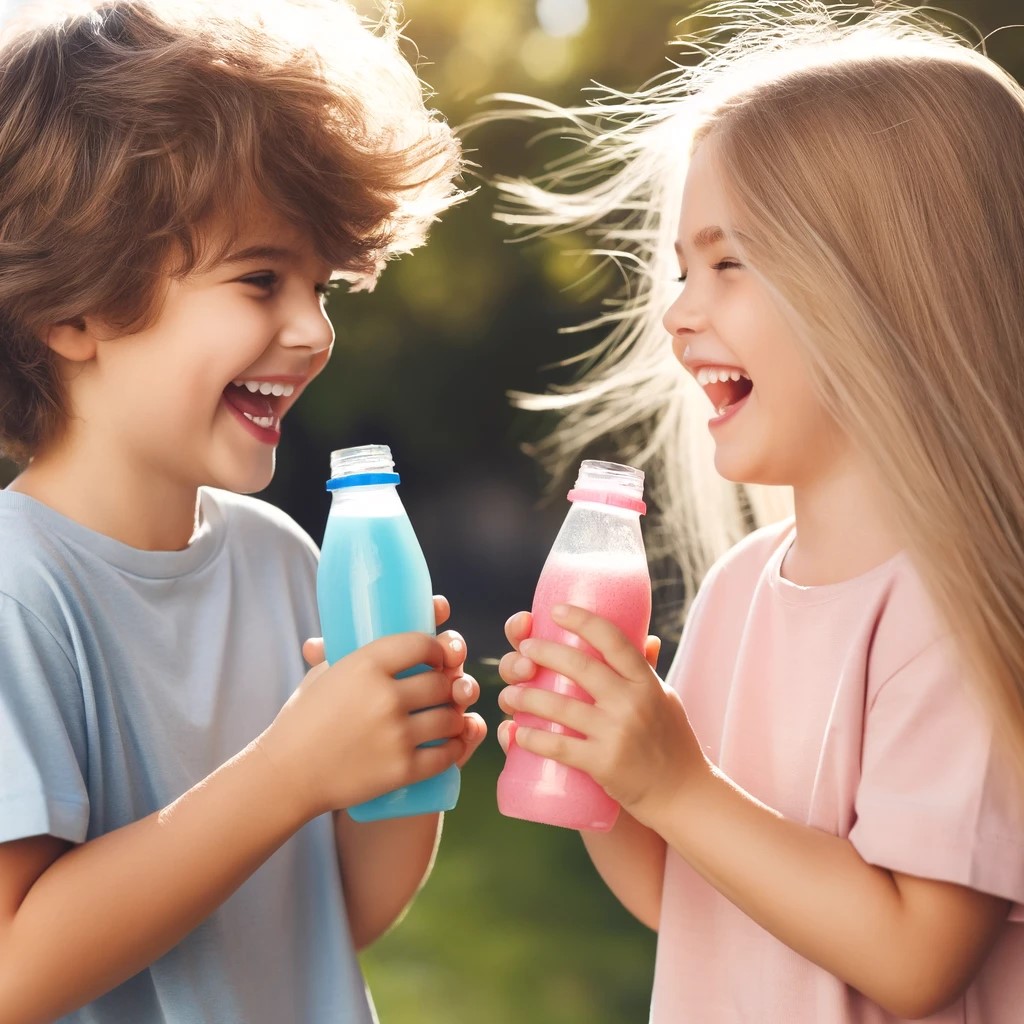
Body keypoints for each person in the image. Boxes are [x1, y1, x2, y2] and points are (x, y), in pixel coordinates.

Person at [491, 2, 1024, 1020]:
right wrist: (610, 767)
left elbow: (917, 956)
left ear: (892, 290)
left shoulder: (960, 601)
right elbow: (682, 898)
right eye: (682, 268)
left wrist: (675, 783)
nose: (677, 310)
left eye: (728, 262)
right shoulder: (742, 589)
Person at [0, 2, 486, 1022]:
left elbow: (328, 914)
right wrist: (290, 769)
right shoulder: (17, 586)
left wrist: (401, 764)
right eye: (260, 278)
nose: (312, 330)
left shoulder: (278, 557)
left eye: (323, 285)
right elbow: (15, 968)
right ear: (72, 310)